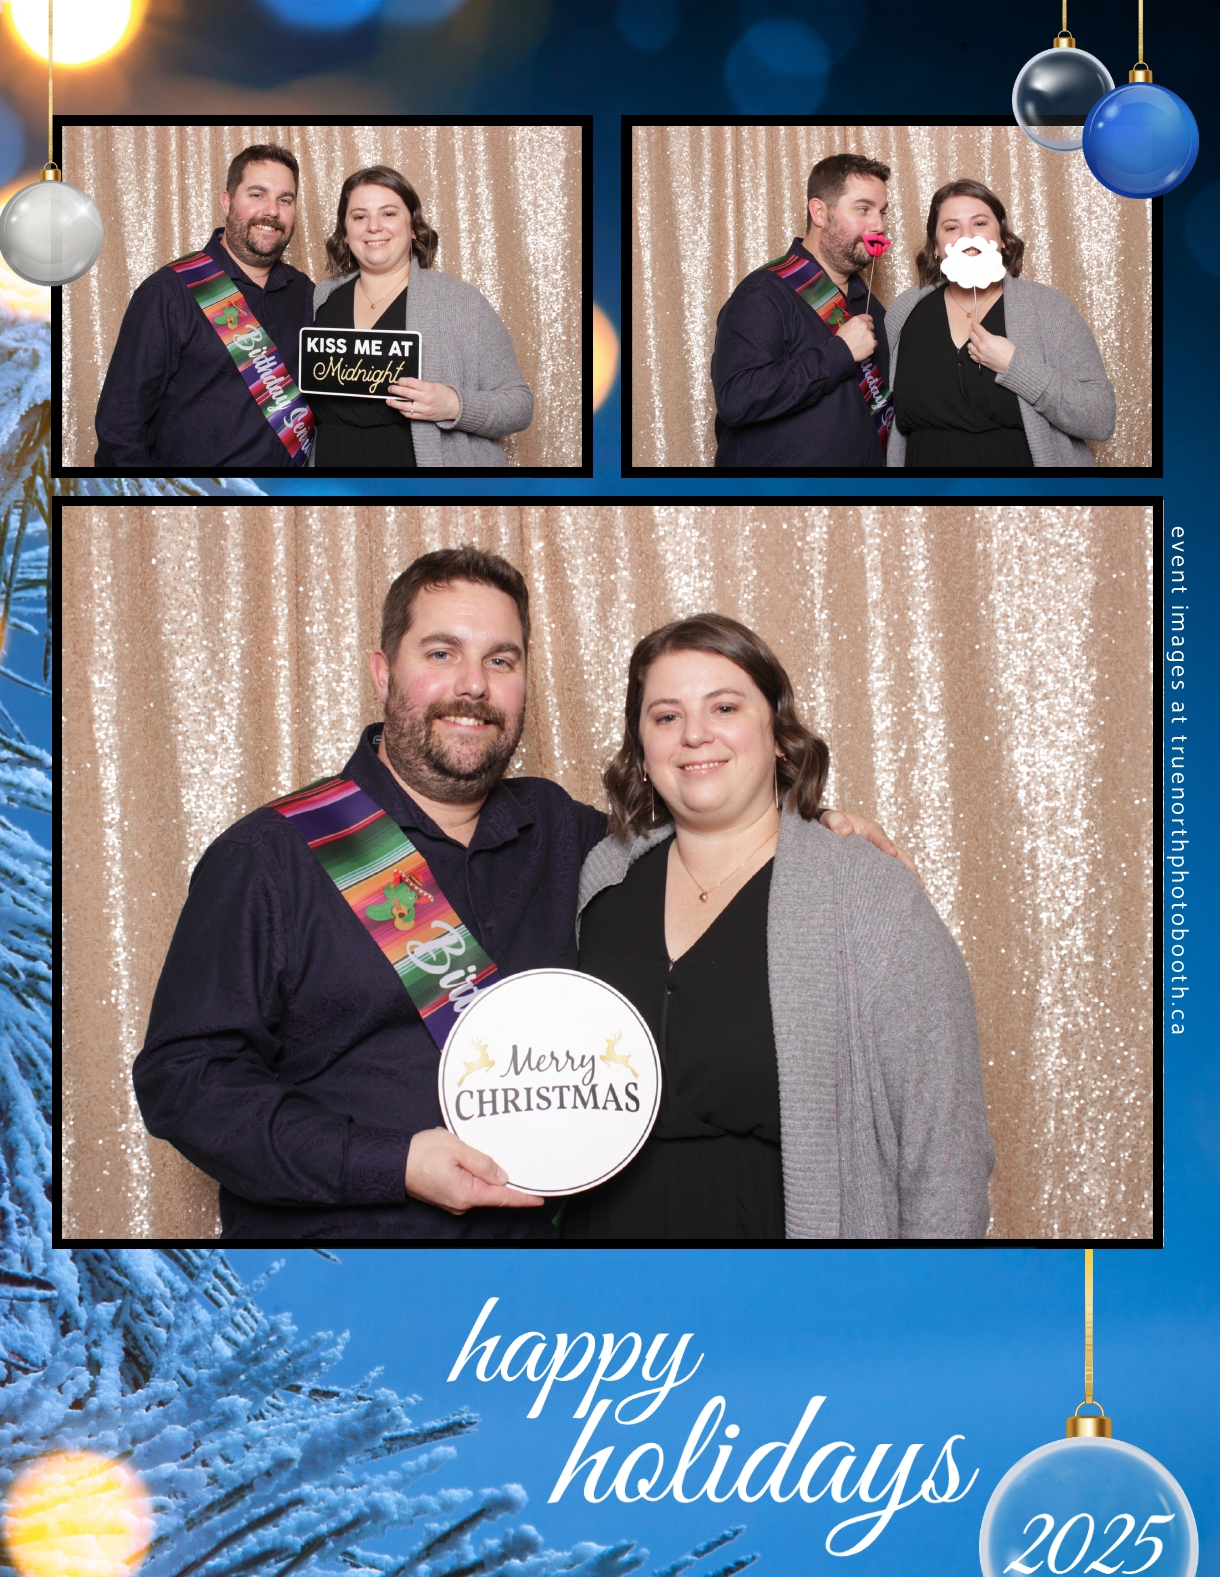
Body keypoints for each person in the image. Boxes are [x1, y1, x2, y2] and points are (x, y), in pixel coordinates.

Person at [131, 546, 907, 1242]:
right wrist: (392, 1163)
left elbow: (714, 832)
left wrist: (812, 834)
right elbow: (184, 1083)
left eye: (501, 660)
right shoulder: (271, 857)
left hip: (554, 1286)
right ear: (383, 672)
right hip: (352, 1281)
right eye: (442, 653)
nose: (473, 685)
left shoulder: (572, 838)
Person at [565, 615, 995, 1242]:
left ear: (779, 738)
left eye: (725, 707)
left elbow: (947, 1149)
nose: (694, 734)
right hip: (610, 1266)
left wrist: (923, 1290)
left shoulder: (866, 892)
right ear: (643, 750)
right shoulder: (604, 878)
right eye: (666, 716)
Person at [94, 144, 315, 472]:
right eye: (257, 195)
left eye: (285, 200)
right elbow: (120, 431)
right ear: (227, 202)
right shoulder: (168, 292)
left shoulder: (306, 293)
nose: (271, 211)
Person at [307, 165, 533, 468]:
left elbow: (519, 405)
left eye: (389, 213)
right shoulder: (324, 296)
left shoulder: (460, 301)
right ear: (345, 234)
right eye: (359, 217)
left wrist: (454, 405)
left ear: (413, 228)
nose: (373, 226)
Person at [885, 178, 1116, 469]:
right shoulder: (904, 311)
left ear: (1003, 238)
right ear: (935, 246)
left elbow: (1100, 417)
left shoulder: (1047, 306)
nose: (968, 237)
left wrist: (1015, 366)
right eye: (952, 228)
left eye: (980, 223)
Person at [710, 153, 893, 470]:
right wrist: (839, 352)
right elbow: (736, 399)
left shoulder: (870, 306)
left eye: (881, 212)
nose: (879, 225)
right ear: (820, 212)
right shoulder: (764, 292)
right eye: (863, 209)